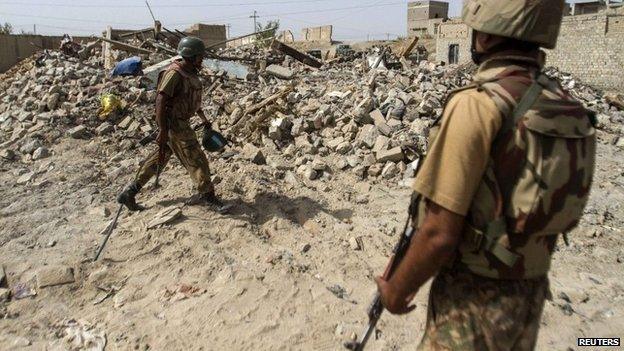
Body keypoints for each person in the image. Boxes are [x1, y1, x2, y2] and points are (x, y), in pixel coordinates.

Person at [374, 1, 597, 350]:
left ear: (488, 34)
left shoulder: (478, 105)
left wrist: (395, 290)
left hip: (472, 302)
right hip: (529, 294)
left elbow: (437, 234)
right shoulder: (564, 105)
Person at [117, 37, 227, 212]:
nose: (202, 59)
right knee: (197, 159)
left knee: (159, 158)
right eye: (200, 56)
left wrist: (204, 120)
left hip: (180, 122)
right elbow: (161, 100)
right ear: (191, 56)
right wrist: (162, 129)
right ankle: (208, 196)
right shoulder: (174, 73)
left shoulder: (190, 73)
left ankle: (130, 192)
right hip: (174, 125)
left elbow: (191, 101)